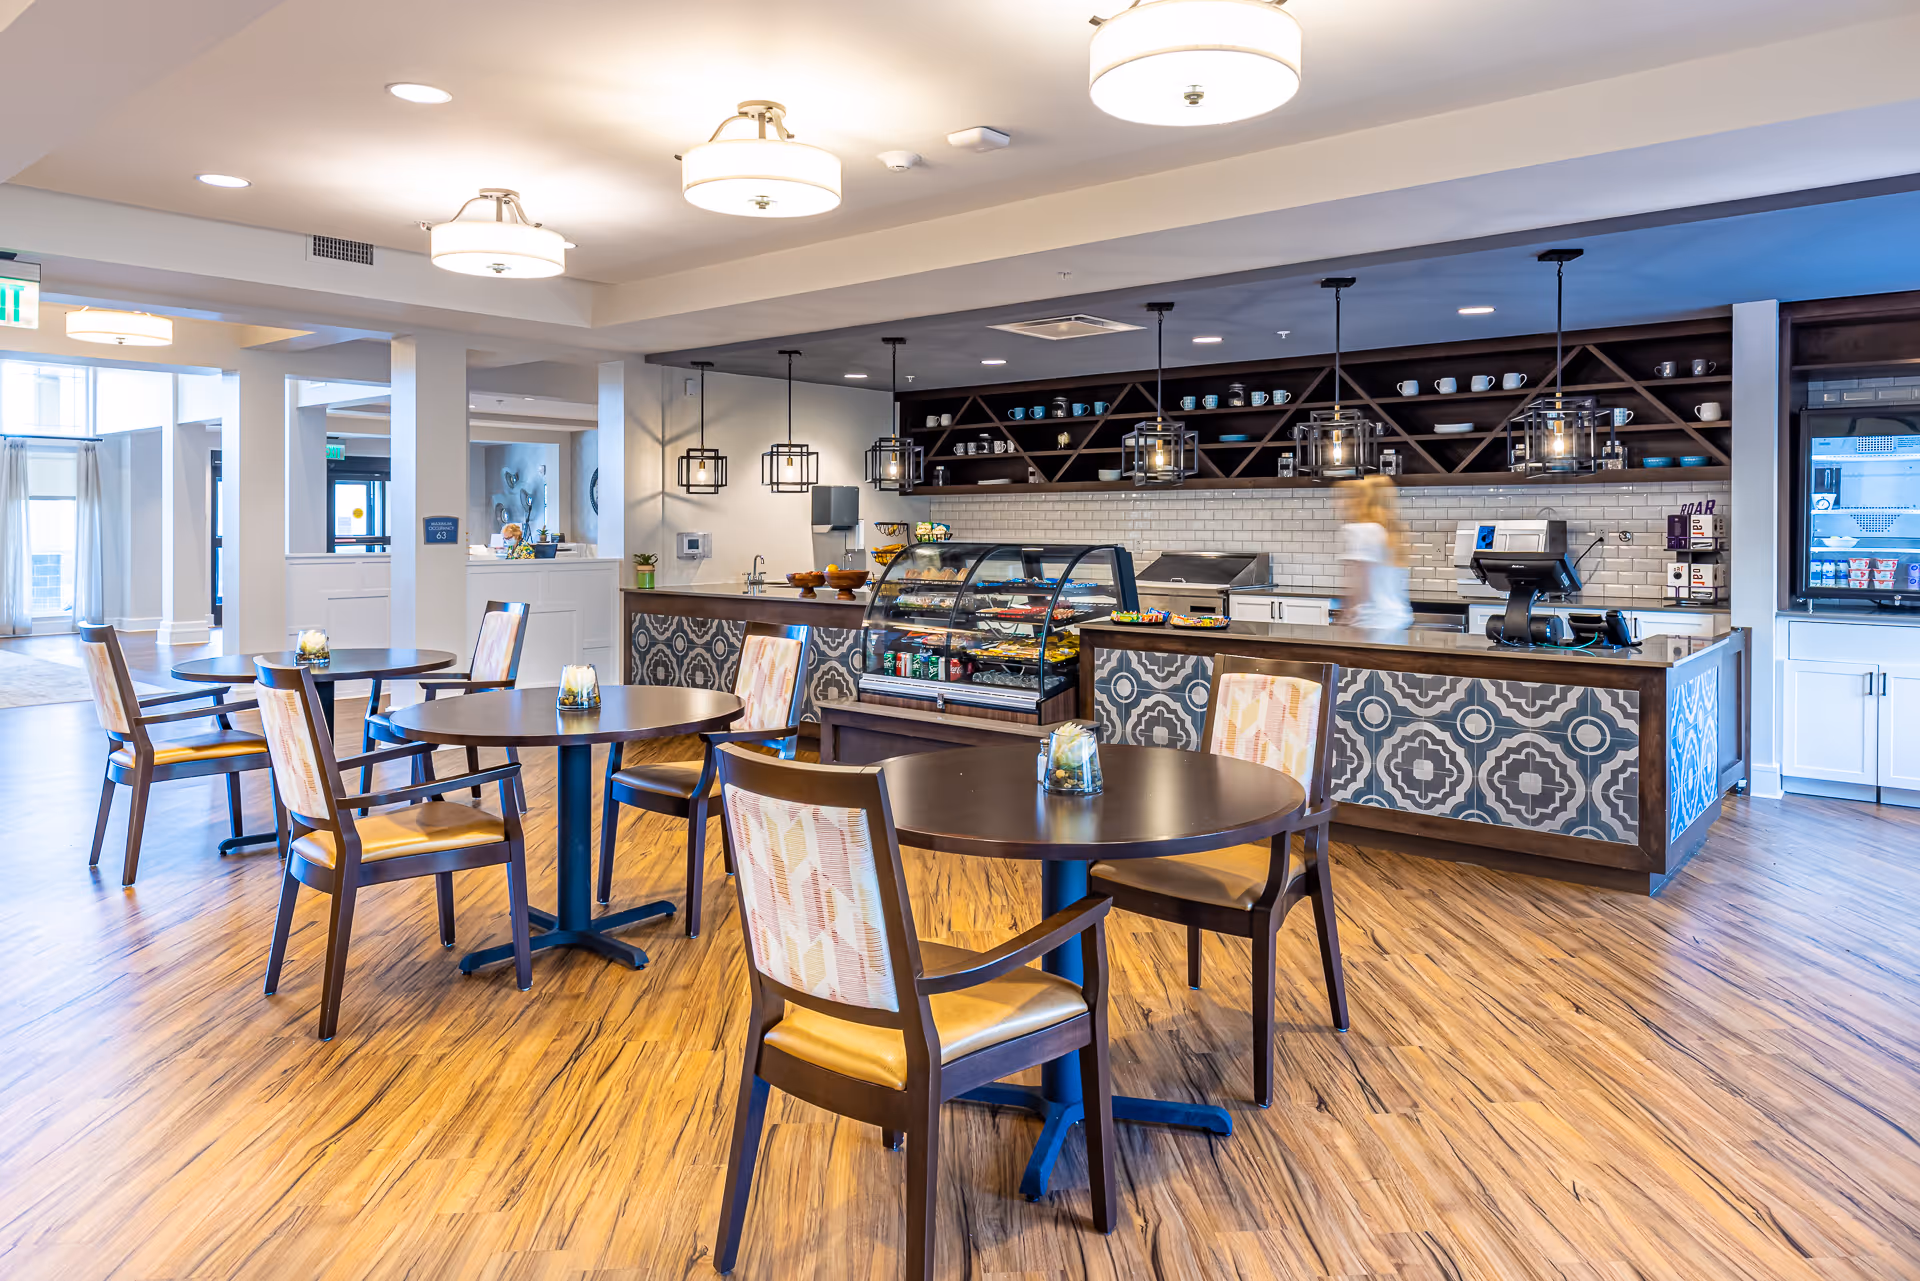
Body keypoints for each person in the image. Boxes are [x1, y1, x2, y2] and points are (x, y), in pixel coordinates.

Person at [1335, 475, 1413, 629]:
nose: (1341, 502)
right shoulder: (1391, 532)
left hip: (1370, 622)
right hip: (1396, 619)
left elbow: (1359, 585)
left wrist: (1345, 616)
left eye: (1349, 496)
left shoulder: (1362, 531)